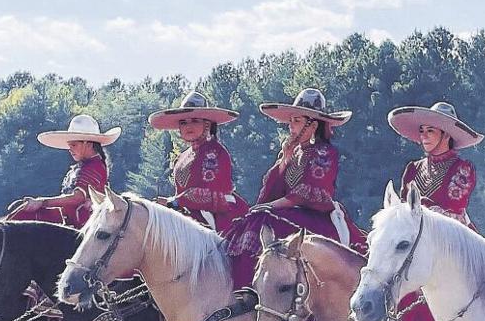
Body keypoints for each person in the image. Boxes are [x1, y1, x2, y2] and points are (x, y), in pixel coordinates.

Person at [222, 88, 365, 290]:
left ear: (313, 125)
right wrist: (284, 159)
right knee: (248, 221)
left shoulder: (325, 152)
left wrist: (270, 206)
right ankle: (243, 285)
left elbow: (307, 193)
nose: (290, 126)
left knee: (262, 219)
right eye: (291, 121)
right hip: (290, 211)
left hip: (316, 217)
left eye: (296, 121)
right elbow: (269, 191)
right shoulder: (294, 153)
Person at [388, 101, 482, 321]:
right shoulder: (412, 169)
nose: (424, 136)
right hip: (416, 237)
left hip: (450, 239)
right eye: (422, 131)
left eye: (430, 131)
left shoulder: (462, 168)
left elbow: (453, 205)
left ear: (446, 134)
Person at [147, 91, 246, 233]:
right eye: (183, 122)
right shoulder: (182, 157)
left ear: (207, 124)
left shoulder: (215, 152)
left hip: (220, 215)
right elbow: (181, 192)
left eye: (194, 121)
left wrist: (172, 202)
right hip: (188, 211)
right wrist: (172, 204)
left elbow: (208, 192)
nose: (188, 126)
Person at [6, 114, 117, 227]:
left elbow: (77, 198)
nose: (70, 149)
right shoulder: (88, 165)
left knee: (23, 219)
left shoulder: (94, 167)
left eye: (73, 145)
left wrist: (41, 202)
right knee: (22, 214)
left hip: (80, 227)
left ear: (88, 144)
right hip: (69, 221)